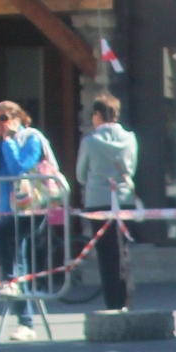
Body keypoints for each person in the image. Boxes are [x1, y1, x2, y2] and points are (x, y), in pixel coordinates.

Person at [0, 101, 53, 341]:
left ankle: (15, 292)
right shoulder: (1, 143)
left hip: (31, 210)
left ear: (17, 118)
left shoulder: (31, 138)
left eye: (3, 118)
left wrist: (9, 140)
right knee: (16, 264)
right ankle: (26, 322)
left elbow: (19, 167)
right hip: (7, 210)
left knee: (1, 238)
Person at [75, 93, 140, 313]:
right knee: (123, 252)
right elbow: (131, 168)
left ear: (97, 114)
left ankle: (112, 302)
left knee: (105, 254)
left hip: (98, 201)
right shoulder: (130, 138)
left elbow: (80, 175)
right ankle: (125, 299)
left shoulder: (90, 141)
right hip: (124, 200)